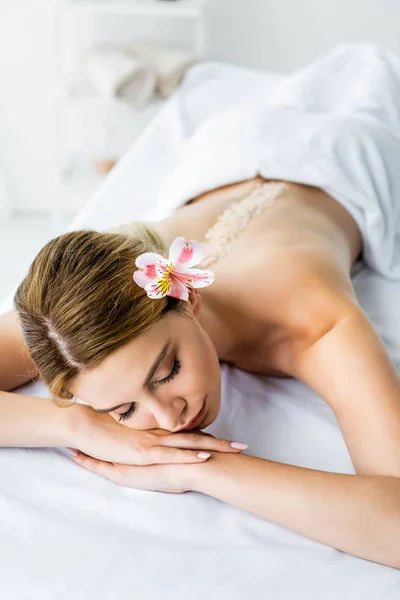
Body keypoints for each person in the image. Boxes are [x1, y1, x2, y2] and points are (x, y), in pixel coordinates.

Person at [1, 43, 400, 568]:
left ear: (188, 299)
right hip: (228, 153)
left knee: (375, 77)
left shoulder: (313, 321)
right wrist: (78, 425)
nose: (169, 420)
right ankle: (176, 74)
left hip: (350, 162)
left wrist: (200, 467)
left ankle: (178, 72)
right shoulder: (80, 313)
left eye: (167, 371)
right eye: (124, 410)